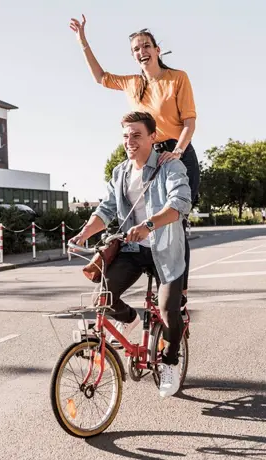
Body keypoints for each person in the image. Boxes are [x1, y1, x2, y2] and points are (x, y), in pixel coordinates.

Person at [69, 16, 198, 306]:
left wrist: (176, 151)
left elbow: (189, 121)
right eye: (136, 49)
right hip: (145, 150)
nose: (142, 51)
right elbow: (100, 77)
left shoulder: (177, 78)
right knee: (129, 205)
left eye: (146, 46)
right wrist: (83, 42)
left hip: (177, 152)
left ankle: (181, 293)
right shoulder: (132, 84)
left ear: (157, 49)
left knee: (177, 221)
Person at [70, 111, 192, 398]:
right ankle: (129, 319)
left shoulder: (170, 167)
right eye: (126, 135)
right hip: (133, 249)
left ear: (153, 137)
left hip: (165, 251)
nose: (130, 141)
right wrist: (84, 233)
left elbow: (180, 204)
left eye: (136, 134)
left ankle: (171, 363)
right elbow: (106, 210)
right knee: (103, 298)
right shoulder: (121, 172)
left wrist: (149, 225)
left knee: (167, 311)